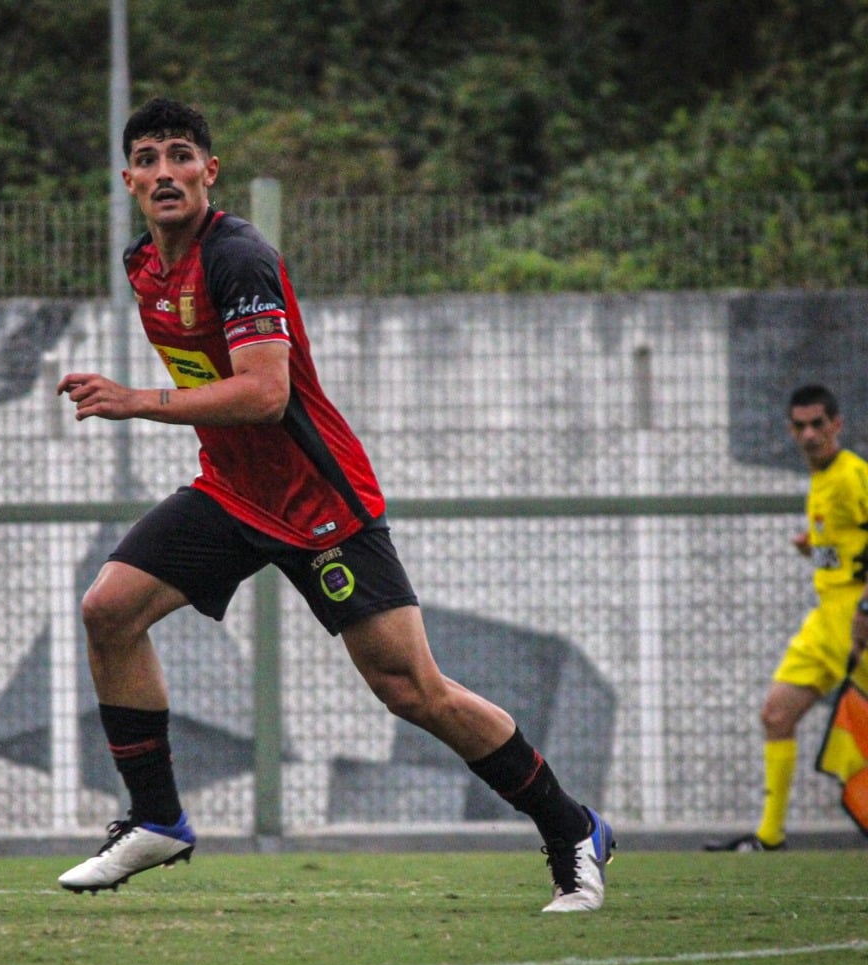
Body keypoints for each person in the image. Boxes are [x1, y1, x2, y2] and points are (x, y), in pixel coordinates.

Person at [55, 97, 614, 911]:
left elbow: (266, 393)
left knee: (412, 690)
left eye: (182, 155)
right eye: (147, 157)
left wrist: (137, 401)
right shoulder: (143, 263)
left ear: (211, 172)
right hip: (232, 493)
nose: (165, 171)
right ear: (128, 178)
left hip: (319, 503)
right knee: (109, 610)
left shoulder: (238, 255)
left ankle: (571, 830)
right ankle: (158, 818)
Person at [706, 383, 868, 851]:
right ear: (790, 430)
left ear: (837, 425)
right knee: (777, 714)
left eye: (819, 423)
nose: (810, 433)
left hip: (860, 624)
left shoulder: (852, 475)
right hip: (826, 625)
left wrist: (866, 609)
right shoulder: (820, 479)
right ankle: (769, 836)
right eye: (801, 425)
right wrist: (814, 547)